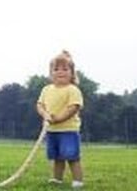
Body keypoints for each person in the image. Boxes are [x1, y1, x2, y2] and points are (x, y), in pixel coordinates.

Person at [36, 50, 84, 188]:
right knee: (57, 157)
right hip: (51, 130)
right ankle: (57, 179)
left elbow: (73, 107)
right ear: (51, 73)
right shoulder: (46, 89)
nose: (60, 72)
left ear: (72, 73)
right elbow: (39, 105)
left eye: (65, 69)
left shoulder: (72, 90)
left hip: (68, 130)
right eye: (56, 69)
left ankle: (78, 181)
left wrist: (58, 119)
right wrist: (45, 114)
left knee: (72, 156)